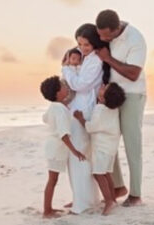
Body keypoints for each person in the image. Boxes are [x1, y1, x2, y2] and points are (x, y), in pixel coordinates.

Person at [95, 9, 147, 207]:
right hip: (110, 94)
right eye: (100, 35)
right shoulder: (105, 33)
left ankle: (135, 194)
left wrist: (108, 59)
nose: (102, 39)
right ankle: (118, 187)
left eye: (106, 36)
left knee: (132, 144)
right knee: (107, 140)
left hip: (132, 94)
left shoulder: (135, 38)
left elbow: (133, 73)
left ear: (117, 29)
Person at [61, 23, 108, 214]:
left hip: (83, 112)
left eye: (86, 44)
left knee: (79, 157)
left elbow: (80, 85)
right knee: (76, 158)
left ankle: (83, 202)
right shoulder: (87, 59)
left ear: (94, 43)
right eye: (79, 44)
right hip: (78, 109)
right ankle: (80, 198)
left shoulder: (95, 60)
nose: (82, 48)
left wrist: (66, 69)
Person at [74, 82, 126, 215]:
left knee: (98, 174)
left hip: (101, 148)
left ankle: (109, 201)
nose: (101, 87)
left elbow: (91, 127)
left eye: (104, 88)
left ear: (103, 99)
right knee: (106, 173)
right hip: (110, 148)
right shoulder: (114, 109)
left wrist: (81, 119)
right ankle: (112, 198)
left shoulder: (99, 109)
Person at [40, 76, 86, 219]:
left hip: (52, 146)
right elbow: (63, 134)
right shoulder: (59, 109)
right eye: (63, 86)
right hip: (56, 148)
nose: (66, 88)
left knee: (53, 179)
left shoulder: (55, 106)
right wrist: (74, 150)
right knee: (52, 180)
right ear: (57, 92)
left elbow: (45, 118)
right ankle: (47, 211)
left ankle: (48, 208)